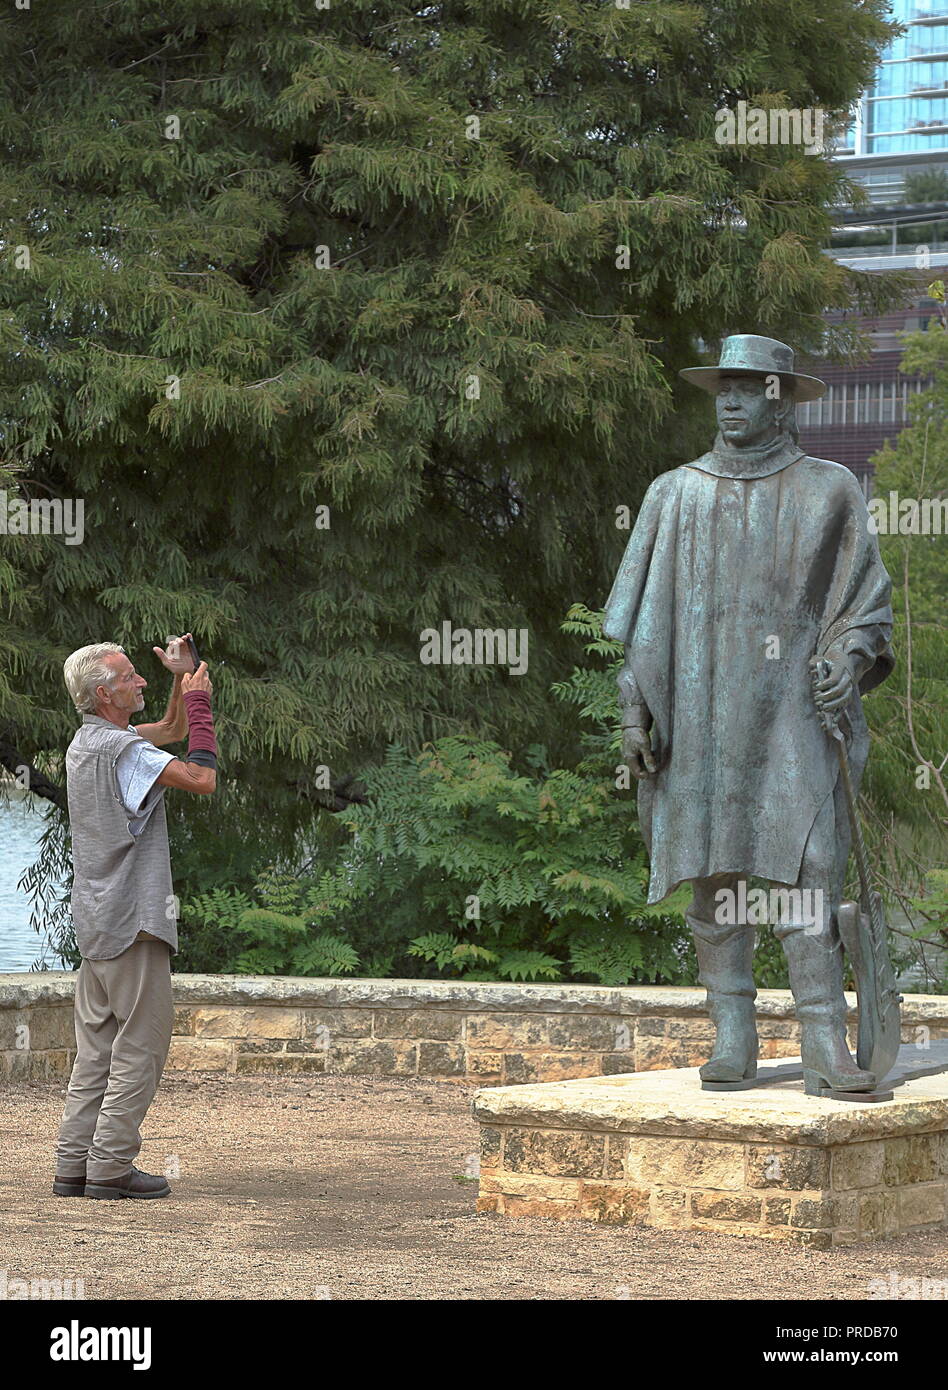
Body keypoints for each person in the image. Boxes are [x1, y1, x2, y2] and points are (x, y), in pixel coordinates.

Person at [603, 335, 894, 1096]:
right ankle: (733, 1036)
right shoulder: (676, 493)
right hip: (700, 718)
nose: (728, 400)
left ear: (779, 394)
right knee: (711, 866)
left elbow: (865, 607)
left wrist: (847, 661)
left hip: (792, 714)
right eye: (720, 388)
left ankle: (826, 1042)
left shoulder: (828, 490)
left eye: (745, 387)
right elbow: (642, 628)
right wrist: (636, 715)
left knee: (809, 870)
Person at [53, 635, 219, 1198]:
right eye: (130, 677)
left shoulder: (89, 742)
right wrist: (201, 703)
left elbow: (167, 731)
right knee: (140, 1047)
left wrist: (182, 674)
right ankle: (110, 1167)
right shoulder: (124, 749)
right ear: (105, 693)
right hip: (134, 918)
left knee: (97, 1048)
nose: (140, 680)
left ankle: (74, 1165)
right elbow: (202, 779)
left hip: (96, 918)